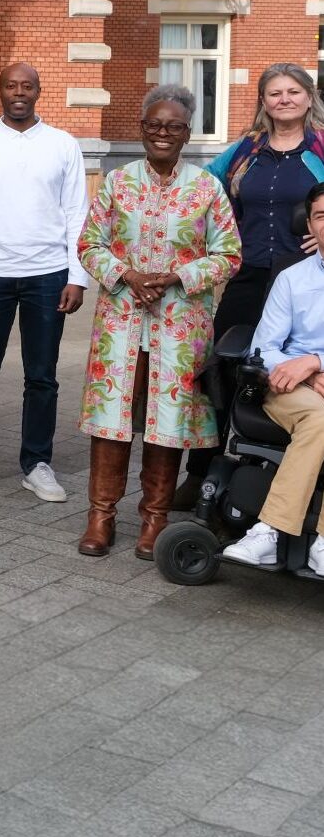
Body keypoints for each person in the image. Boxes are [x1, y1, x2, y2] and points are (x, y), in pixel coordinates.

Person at [76, 84, 241, 559]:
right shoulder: (118, 182)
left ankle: (154, 519)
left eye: (173, 126)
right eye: (154, 125)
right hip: (121, 322)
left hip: (179, 325)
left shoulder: (206, 187)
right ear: (142, 129)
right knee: (112, 420)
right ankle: (101, 517)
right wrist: (127, 273)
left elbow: (229, 255)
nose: (162, 133)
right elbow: (89, 243)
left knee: (165, 422)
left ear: (186, 133)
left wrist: (176, 275)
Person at [175, 63, 324, 508]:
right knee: (220, 368)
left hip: (305, 277)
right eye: (275, 93)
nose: (284, 100)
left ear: (308, 97)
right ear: (263, 101)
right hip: (248, 274)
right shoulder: (245, 151)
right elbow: (203, 190)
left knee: (291, 359)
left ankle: (286, 460)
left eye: (293, 92)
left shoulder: (321, 146)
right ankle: (202, 472)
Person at [0, 64, 90, 503]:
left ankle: (37, 463)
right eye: (11, 86)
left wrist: (77, 277)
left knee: (42, 375)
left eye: (27, 86)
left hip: (48, 275)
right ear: (0, 90)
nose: (19, 93)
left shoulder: (63, 145)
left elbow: (76, 214)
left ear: (39, 92)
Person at [222, 182, 324, 572]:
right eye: (320, 216)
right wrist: (302, 374)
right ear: (310, 227)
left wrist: (315, 361)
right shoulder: (292, 278)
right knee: (319, 417)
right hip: (290, 389)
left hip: (307, 373)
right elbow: (264, 348)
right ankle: (270, 532)